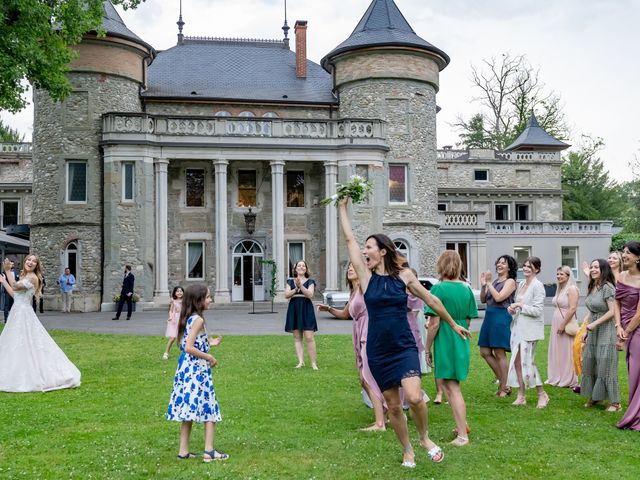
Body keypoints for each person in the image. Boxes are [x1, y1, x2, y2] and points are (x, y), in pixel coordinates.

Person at [338, 198, 470, 468]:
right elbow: (350, 240)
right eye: (365, 248)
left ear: (383, 251)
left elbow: (432, 301)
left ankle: (423, 438)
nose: (365, 252)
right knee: (393, 405)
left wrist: (453, 323)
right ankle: (407, 449)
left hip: (404, 346)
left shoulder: (405, 276)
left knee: (412, 396)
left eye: (370, 248)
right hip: (378, 349)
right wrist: (342, 207)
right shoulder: (366, 278)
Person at [318, 263, 387, 431]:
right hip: (358, 333)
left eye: (353, 267)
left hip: (368, 334)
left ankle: (380, 423)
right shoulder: (354, 291)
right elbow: (345, 314)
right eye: (348, 267)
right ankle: (386, 412)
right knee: (363, 380)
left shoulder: (366, 288)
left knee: (368, 378)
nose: (349, 269)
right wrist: (328, 308)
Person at [0, 255, 81, 392]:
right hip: (17, 312)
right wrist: (3, 281)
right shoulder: (25, 277)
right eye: (28, 260)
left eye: (33, 261)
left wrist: (7, 271)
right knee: (16, 343)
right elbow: (15, 294)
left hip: (24, 314)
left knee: (28, 343)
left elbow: (15, 285)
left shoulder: (32, 278)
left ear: (37, 265)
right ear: (25, 262)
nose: (30, 262)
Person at [166, 284, 228, 462]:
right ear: (198, 300)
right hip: (196, 371)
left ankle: (183, 451)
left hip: (186, 369)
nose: (210, 300)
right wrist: (209, 356)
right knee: (210, 408)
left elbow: (191, 341)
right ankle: (209, 451)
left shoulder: (191, 318)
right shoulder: (198, 320)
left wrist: (210, 343)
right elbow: (188, 347)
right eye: (208, 297)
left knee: (189, 411)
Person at [425, 250, 478, 446]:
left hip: (446, 339)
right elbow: (468, 319)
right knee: (451, 385)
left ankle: (463, 435)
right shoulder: (466, 289)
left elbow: (434, 323)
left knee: (452, 387)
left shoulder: (439, 289)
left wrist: (427, 348)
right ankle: (462, 424)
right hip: (460, 338)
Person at [506, 257, 550, 408]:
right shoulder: (523, 283)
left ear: (536, 269)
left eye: (529, 267)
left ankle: (542, 394)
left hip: (530, 330)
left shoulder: (538, 286)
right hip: (518, 327)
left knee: (527, 362)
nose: (525, 269)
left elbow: (537, 310)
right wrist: (512, 308)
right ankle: (521, 395)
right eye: (524, 266)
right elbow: (519, 306)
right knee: (517, 362)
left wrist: (520, 305)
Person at [580, 259, 620, 411]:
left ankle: (615, 402)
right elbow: (592, 311)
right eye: (592, 267)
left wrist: (595, 324)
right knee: (592, 362)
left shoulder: (608, 287)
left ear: (604, 269)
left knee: (606, 364)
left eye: (596, 267)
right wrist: (585, 330)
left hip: (606, 329)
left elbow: (612, 311)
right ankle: (596, 397)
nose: (593, 270)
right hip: (593, 329)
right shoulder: (593, 286)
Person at [478, 255, 518, 397]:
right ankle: (504, 382)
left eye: (503, 263)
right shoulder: (494, 281)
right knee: (484, 351)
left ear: (509, 267)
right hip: (489, 316)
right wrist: (484, 286)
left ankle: (505, 386)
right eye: (498, 262)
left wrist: (488, 283)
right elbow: (483, 299)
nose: (499, 265)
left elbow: (500, 297)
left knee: (499, 352)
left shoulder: (511, 281)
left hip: (501, 317)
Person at [616, 241, 640, 430]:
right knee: (632, 370)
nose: (625, 256)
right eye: (624, 252)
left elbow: (639, 313)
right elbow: (616, 303)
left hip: (637, 328)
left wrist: (627, 331)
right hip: (624, 326)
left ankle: (635, 415)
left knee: (637, 371)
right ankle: (633, 411)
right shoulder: (621, 275)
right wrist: (618, 326)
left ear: (638, 257)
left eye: (628, 253)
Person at [546, 266, 580, 388]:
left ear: (568, 276)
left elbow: (572, 308)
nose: (559, 276)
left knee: (567, 351)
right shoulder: (560, 288)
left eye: (562, 274)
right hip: (556, 321)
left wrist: (562, 324)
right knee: (558, 350)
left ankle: (568, 378)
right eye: (558, 274)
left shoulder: (571, 289)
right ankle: (557, 376)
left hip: (566, 323)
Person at [284, 260, 318, 370]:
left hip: (306, 308)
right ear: (295, 269)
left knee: (309, 337)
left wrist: (301, 286)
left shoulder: (311, 281)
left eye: (304, 266)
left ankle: (313, 363)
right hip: (294, 308)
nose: (301, 267)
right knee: (297, 337)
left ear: (306, 269)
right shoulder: (290, 282)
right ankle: (301, 362)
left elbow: (310, 295)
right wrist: (296, 288)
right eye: (299, 265)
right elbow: (287, 295)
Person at [163, 286, 184, 360]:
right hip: (175, 320)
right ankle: (166, 353)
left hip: (183, 320)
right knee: (172, 338)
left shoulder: (185, 301)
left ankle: (185, 353)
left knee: (183, 337)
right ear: (175, 293)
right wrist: (171, 317)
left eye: (181, 291)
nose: (179, 293)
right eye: (177, 291)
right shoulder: (173, 301)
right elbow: (171, 310)